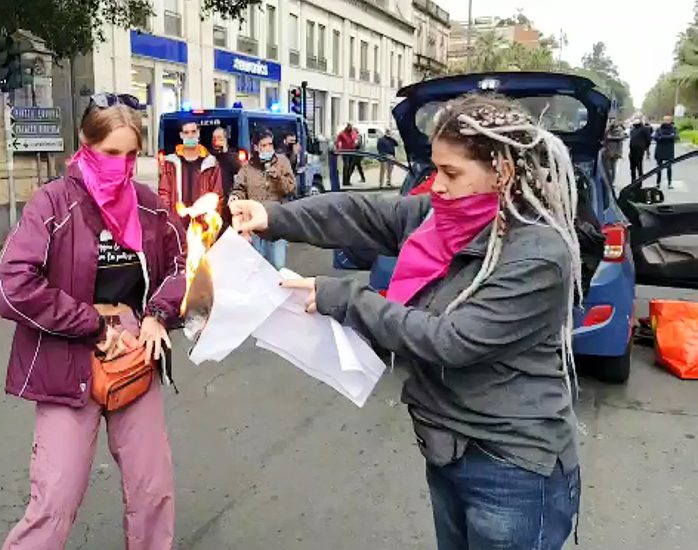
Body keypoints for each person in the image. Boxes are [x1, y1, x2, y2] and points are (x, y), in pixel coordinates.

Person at [231, 94, 582, 550]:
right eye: (435, 170)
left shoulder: (537, 254)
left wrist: (343, 297)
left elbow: (449, 340)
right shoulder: (441, 218)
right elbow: (361, 213)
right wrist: (272, 216)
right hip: (447, 448)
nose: (437, 186)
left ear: (503, 172)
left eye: (451, 173)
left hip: (511, 468)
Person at [0, 94, 186, 550]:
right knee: (54, 498)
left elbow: (182, 266)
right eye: (110, 153)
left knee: (152, 488)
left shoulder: (148, 206)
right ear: (85, 142)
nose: (122, 165)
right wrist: (93, 327)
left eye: (131, 155)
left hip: (134, 353)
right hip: (68, 352)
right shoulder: (52, 203)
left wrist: (158, 316)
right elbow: (13, 285)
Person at [230, 128, 295, 270]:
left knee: (278, 265)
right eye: (264, 145)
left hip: (277, 222)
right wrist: (235, 198)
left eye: (270, 144)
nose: (268, 148)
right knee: (259, 266)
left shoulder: (282, 162)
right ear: (256, 147)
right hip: (255, 224)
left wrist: (278, 178)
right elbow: (239, 189)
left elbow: (291, 189)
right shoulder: (247, 168)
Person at [159, 120, 223, 213]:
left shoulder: (211, 163)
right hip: (177, 218)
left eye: (193, 132)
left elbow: (217, 195)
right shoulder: (171, 163)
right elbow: (164, 193)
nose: (190, 136)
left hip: (202, 219)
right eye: (186, 132)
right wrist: (168, 216)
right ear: (181, 135)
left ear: (198, 133)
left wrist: (212, 216)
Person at [211, 126, 242, 226]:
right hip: (212, 199)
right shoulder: (209, 156)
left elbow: (238, 169)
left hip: (226, 199)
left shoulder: (232, 155)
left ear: (225, 139)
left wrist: (225, 152)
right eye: (214, 138)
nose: (216, 141)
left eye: (219, 138)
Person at [653, 115, 679, 189]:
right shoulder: (659, 129)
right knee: (658, 168)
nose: (666, 121)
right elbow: (655, 137)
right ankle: (658, 183)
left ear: (671, 121)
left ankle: (669, 183)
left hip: (669, 150)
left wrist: (662, 137)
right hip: (659, 150)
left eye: (668, 120)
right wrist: (668, 136)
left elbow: (675, 137)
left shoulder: (674, 129)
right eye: (665, 120)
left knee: (669, 168)